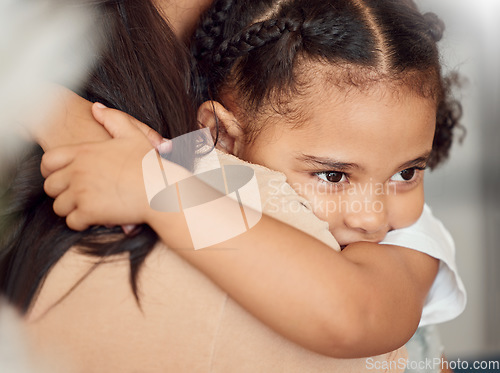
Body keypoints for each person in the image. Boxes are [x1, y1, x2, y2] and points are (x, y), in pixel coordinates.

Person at [39, 0, 465, 365]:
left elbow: (358, 314)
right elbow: (115, 151)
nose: (373, 217)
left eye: (406, 173)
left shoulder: (411, 242)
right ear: (221, 137)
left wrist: (158, 195)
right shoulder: (204, 156)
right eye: (334, 176)